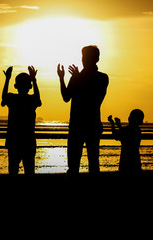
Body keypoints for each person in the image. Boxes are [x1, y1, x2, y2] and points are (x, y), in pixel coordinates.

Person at [57, 45, 109, 176]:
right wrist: (62, 78)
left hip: (90, 125)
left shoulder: (102, 78)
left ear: (96, 59)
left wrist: (77, 78)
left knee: (93, 162)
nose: (84, 59)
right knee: (74, 165)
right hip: (77, 126)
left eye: (87, 57)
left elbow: (94, 96)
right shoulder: (77, 77)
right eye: (83, 56)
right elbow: (66, 97)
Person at [1, 65, 42, 175]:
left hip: (14, 140)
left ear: (16, 86)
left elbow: (3, 98)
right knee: (29, 172)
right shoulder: (31, 100)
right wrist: (34, 81)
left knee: (13, 172)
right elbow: (38, 98)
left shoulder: (12, 99)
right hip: (28, 141)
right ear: (29, 87)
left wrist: (7, 79)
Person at [108, 109, 144, 175]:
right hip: (135, 161)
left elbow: (118, 135)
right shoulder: (137, 130)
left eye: (131, 116)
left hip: (126, 161)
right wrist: (116, 125)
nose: (129, 118)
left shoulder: (133, 130)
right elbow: (121, 134)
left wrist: (114, 124)